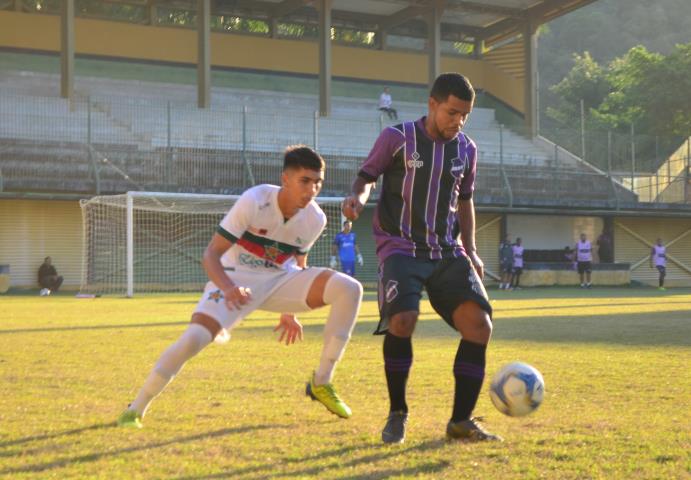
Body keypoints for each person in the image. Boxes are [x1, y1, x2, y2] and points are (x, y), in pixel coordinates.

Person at [117, 146, 363, 429]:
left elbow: (298, 260)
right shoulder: (255, 200)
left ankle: (321, 382)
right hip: (234, 278)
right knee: (193, 339)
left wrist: (289, 311)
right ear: (286, 179)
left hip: (279, 280)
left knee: (349, 288)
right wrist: (229, 288)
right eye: (305, 181)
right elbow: (210, 255)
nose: (312, 189)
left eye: (318, 183)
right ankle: (136, 408)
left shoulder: (315, 219)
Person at [343, 72, 500, 444]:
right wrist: (358, 199)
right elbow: (366, 177)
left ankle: (460, 421)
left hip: (447, 250)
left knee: (479, 326)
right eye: (451, 112)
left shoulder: (467, 149)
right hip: (400, 246)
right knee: (402, 320)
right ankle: (398, 413)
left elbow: (465, 201)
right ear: (432, 104)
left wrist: (472, 250)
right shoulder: (397, 138)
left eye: (464, 115)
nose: (457, 121)